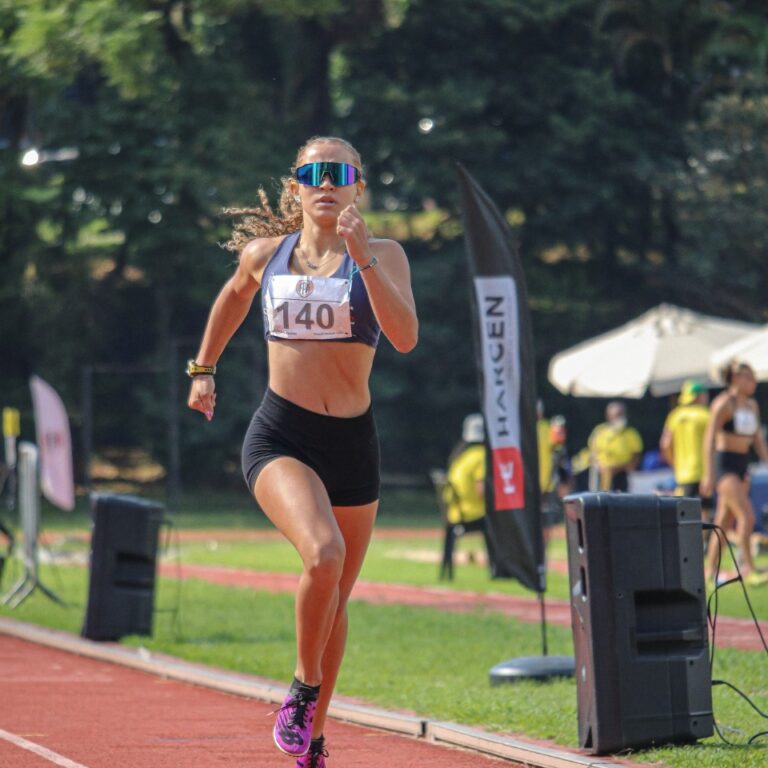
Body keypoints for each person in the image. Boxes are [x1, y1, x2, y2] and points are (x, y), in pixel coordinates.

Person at [187, 136, 418, 767]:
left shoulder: (384, 255)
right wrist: (202, 368)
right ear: (295, 186)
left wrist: (363, 257)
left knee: (336, 594)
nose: (325, 182)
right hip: (281, 436)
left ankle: (313, 740)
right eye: (312, 172)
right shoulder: (268, 255)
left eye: (338, 172)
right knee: (324, 555)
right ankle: (302, 688)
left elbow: (404, 338)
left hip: (353, 442)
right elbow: (235, 294)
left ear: (357, 188)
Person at [702, 361, 768, 585]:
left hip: (742, 464)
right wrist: (709, 474)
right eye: (748, 377)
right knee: (747, 516)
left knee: (722, 520)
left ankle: (709, 570)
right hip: (725, 465)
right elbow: (709, 438)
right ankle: (749, 567)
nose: (753, 382)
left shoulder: (751, 405)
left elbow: (757, 438)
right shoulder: (723, 403)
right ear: (736, 378)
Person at [440, 413, 489, 578]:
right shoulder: (481, 456)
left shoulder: (459, 456)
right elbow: (482, 490)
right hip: (473, 514)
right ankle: (502, 569)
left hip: (454, 513)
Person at [659, 380, 711, 518]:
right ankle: (702, 540)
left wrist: (674, 464)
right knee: (704, 510)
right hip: (704, 471)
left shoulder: (675, 415)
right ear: (699, 395)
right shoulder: (705, 415)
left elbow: (665, 444)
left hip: (682, 473)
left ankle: (685, 539)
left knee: (682, 512)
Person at [587, 401, 643, 492]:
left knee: (621, 502)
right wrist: (601, 466)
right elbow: (592, 452)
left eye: (622, 414)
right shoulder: (599, 431)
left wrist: (619, 468)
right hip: (601, 475)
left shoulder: (631, 434)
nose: (621, 417)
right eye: (617, 415)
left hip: (622, 475)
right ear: (609, 416)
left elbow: (636, 457)